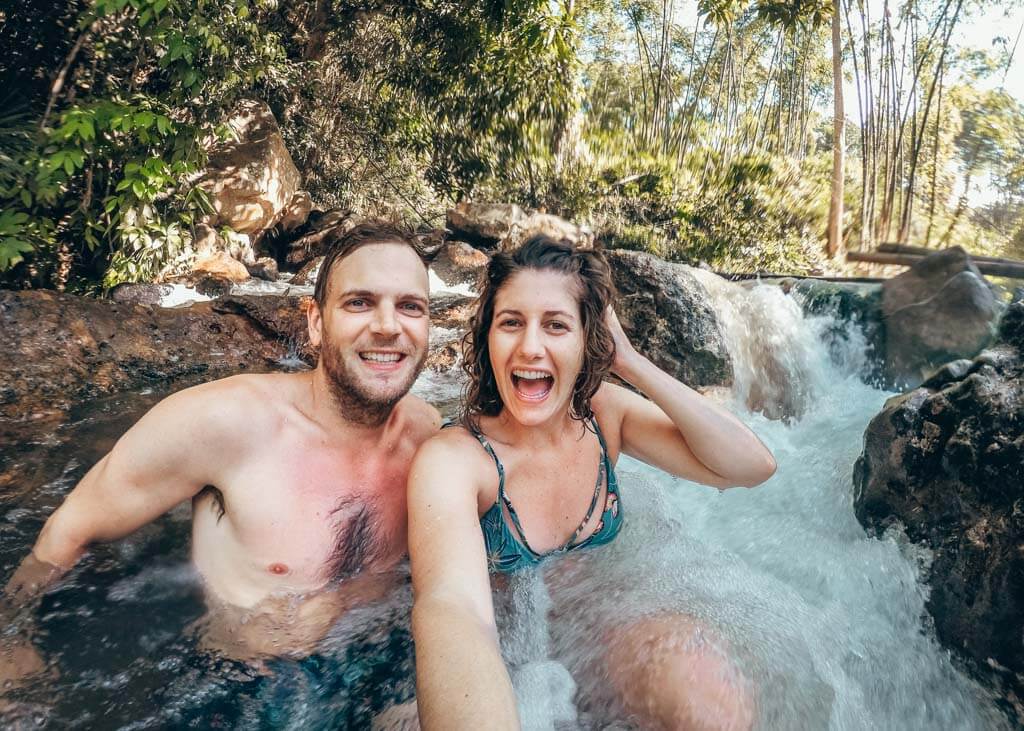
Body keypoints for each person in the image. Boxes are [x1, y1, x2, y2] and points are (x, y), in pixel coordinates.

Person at [0, 221, 441, 719]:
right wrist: (13, 645)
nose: (388, 325)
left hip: (379, 667)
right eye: (359, 302)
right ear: (316, 322)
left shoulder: (429, 436)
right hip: (244, 689)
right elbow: (71, 523)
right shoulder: (223, 424)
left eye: (410, 306)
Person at [408, 236, 777, 730]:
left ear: (587, 340)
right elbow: (453, 610)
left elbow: (751, 466)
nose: (530, 346)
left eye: (556, 325)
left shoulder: (605, 415)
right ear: (487, 338)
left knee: (706, 694)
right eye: (511, 323)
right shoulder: (456, 459)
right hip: (503, 660)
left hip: (599, 632)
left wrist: (628, 361)